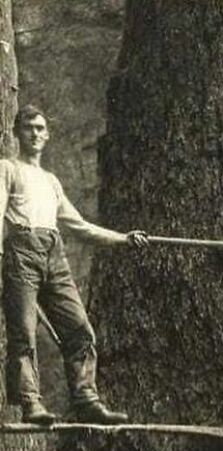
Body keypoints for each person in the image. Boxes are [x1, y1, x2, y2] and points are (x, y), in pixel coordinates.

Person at [0, 104, 149, 425]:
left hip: (54, 253)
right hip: (20, 252)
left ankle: (86, 399)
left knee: (79, 328)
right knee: (24, 333)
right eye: (28, 128)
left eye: (40, 128)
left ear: (48, 135)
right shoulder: (7, 169)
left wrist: (123, 239)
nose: (35, 134)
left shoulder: (51, 181)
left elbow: (79, 226)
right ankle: (31, 404)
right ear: (16, 133)